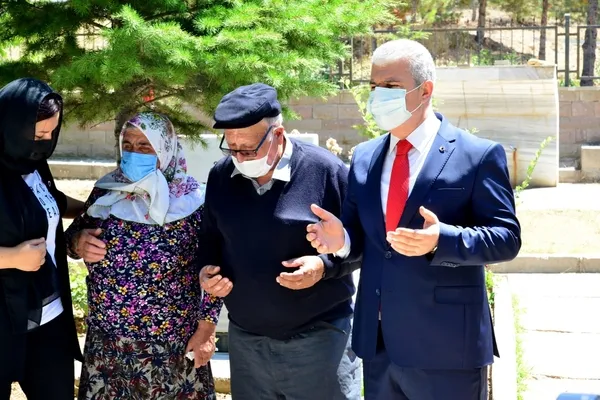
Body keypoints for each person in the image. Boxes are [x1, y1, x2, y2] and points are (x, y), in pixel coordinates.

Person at [306, 39, 522, 400]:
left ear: (426, 90)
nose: (379, 95)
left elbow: (506, 238)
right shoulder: (364, 157)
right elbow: (365, 239)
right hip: (379, 345)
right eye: (374, 85)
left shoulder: (477, 155)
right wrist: (341, 241)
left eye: (391, 85)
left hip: (447, 347)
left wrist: (442, 239)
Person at [198, 83, 362, 400]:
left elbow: (363, 244)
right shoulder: (221, 176)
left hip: (319, 340)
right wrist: (207, 271)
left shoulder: (325, 171)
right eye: (231, 147)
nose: (239, 157)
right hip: (247, 342)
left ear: (278, 134)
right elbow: (210, 238)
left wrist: (323, 266)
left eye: (248, 149)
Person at [64, 112, 222, 399]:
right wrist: (78, 242)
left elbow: (215, 269)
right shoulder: (106, 190)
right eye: (127, 145)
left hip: (170, 345)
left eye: (144, 146)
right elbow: (72, 237)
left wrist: (206, 330)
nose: (133, 153)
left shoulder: (194, 202)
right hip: (109, 345)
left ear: (166, 149)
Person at [0, 78, 85, 399]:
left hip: (48, 315)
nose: (46, 143)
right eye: (38, 136)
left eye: (52, 133)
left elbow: (50, 202)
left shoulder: (33, 163)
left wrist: (95, 208)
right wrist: (12, 257)